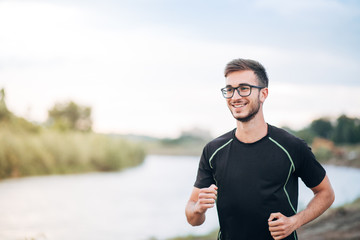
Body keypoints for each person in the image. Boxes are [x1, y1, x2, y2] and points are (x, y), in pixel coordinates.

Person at [185, 58, 335, 240]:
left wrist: (294, 222)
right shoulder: (213, 150)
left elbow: (326, 193)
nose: (235, 96)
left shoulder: (291, 146)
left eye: (244, 88)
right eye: (230, 90)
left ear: (263, 94)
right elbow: (193, 217)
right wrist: (198, 209)